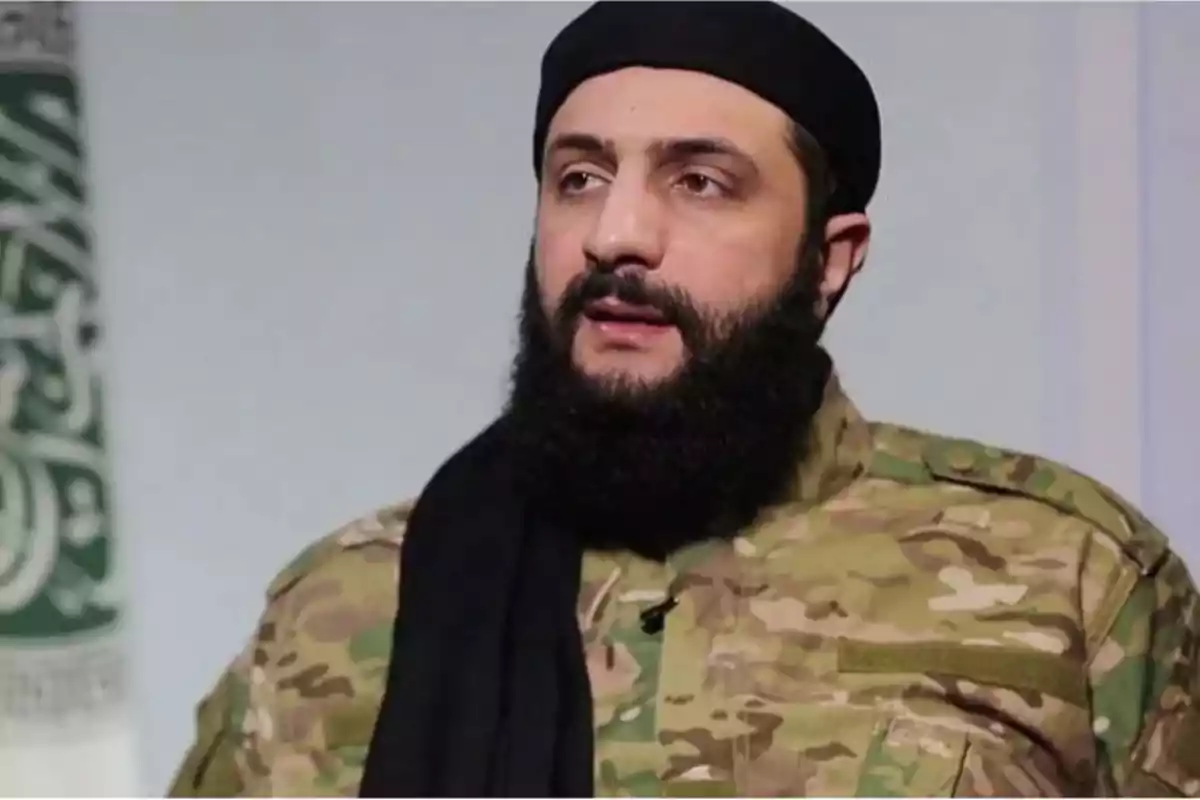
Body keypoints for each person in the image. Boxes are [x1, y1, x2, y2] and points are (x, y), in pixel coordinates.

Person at [167, 2, 1200, 797]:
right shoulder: (340, 605)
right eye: (578, 177)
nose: (617, 233)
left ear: (830, 260)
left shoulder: (1068, 578)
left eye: (700, 182)